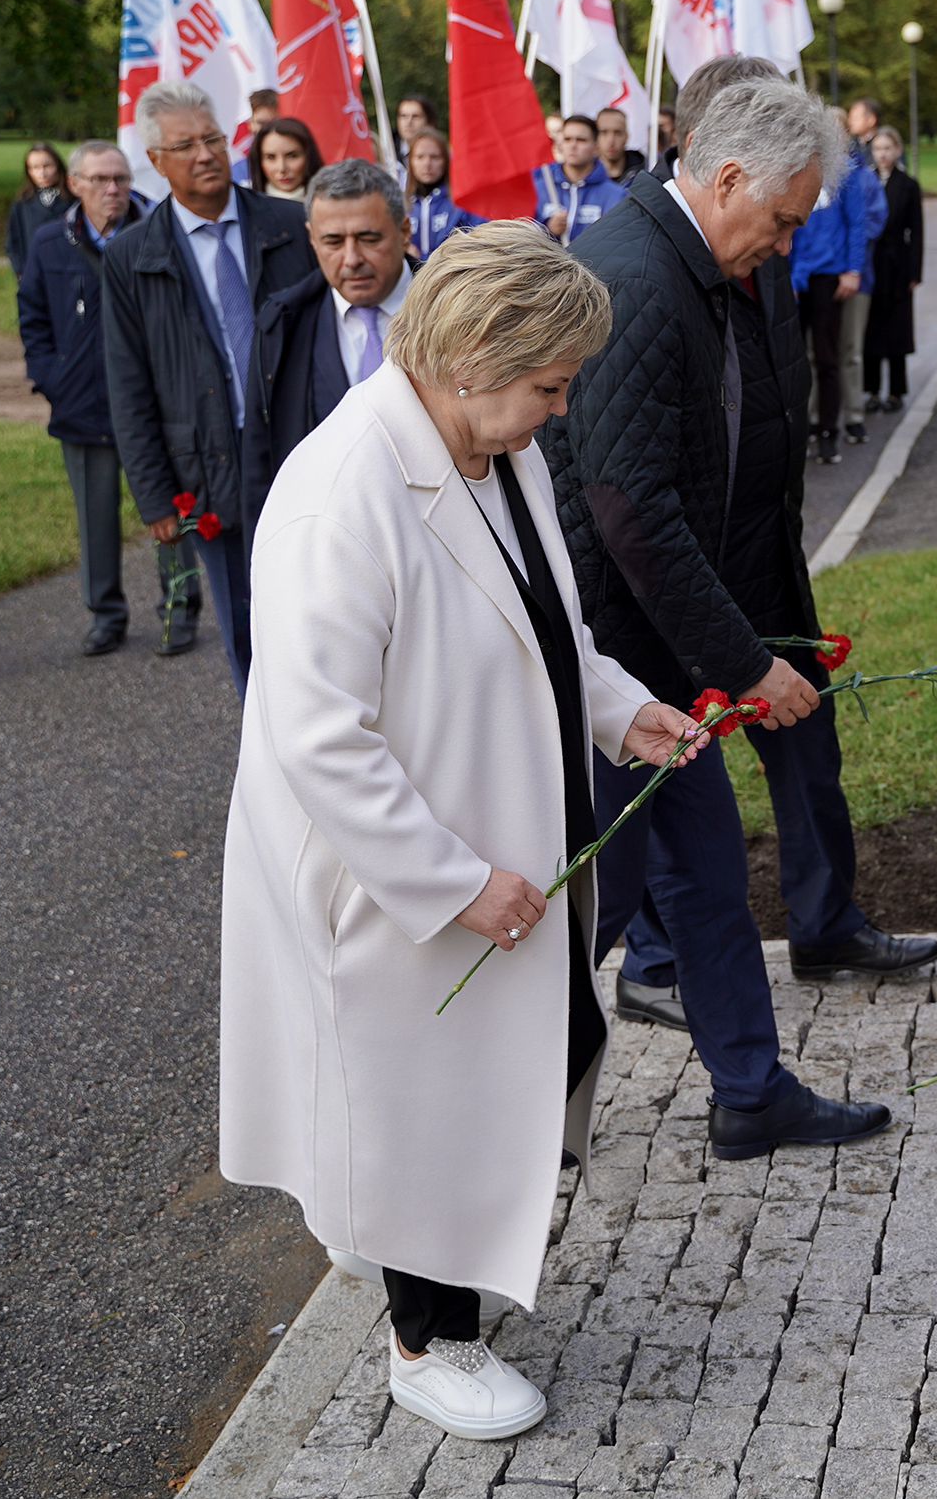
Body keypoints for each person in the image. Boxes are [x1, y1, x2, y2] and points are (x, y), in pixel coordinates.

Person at [221, 221, 706, 1440]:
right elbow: (317, 732)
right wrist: (448, 882)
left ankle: (426, 1249)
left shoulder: (497, 454)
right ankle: (425, 1339)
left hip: (509, 834)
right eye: (549, 382)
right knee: (416, 1100)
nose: (559, 405)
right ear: (475, 353)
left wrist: (620, 709)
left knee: (538, 1047)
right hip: (398, 870)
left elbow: (543, 629)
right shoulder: (343, 489)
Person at [543, 74, 934, 1160]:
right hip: (616, 667)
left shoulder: (692, 267)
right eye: (781, 219)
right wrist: (745, 663)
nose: (785, 243)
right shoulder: (635, 278)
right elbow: (631, 511)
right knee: (594, 904)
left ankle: (750, 1093)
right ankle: (485, 1122)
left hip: (656, 654)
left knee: (706, 873)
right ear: (724, 180)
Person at [103, 79, 319, 698]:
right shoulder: (131, 256)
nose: (205, 154)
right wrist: (153, 496)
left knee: (325, 610)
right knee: (248, 630)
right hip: (208, 471)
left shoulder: (290, 225)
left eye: (213, 138)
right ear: (156, 161)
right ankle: (270, 765)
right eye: (186, 145)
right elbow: (128, 381)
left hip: (299, 449)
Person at [17, 139, 200, 658]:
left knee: (170, 510)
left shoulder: (160, 236)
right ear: (74, 184)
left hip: (157, 406)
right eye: (99, 180)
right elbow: (31, 315)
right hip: (82, 405)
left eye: (120, 178)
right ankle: (105, 615)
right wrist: (50, 377)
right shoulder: (50, 242)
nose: (112, 189)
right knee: (94, 519)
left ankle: (180, 607)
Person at [254, 157, 411, 473]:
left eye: (369, 239)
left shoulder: (458, 310)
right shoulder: (282, 323)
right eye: (333, 242)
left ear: (404, 231)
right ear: (312, 238)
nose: (352, 259)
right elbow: (262, 453)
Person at [786, 105, 882, 463]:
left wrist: (853, 269)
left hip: (830, 275)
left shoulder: (851, 174)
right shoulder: (801, 167)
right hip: (799, 275)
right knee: (797, 357)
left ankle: (829, 432)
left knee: (828, 357)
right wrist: (790, 274)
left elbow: (857, 224)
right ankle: (805, 427)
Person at [832, 98, 890, 446]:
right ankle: (819, 415)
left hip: (856, 276)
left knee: (850, 349)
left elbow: (872, 222)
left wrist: (846, 260)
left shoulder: (863, 178)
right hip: (821, 276)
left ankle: (853, 414)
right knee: (817, 351)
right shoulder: (816, 177)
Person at [862, 126, 924, 413]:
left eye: (888, 148)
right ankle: (871, 389)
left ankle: (897, 391)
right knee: (870, 326)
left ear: (898, 150)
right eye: (877, 149)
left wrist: (914, 273)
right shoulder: (864, 181)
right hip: (871, 261)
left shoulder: (908, 185)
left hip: (897, 263)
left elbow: (917, 232)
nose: (883, 154)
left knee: (897, 328)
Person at [534, 115, 626, 244]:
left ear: (596, 147)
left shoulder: (615, 195)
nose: (573, 145)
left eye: (581, 140)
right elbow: (520, 234)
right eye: (567, 139)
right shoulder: (540, 188)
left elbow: (618, 242)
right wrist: (547, 229)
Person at [403, 128, 484, 259]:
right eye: (420, 157)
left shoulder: (461, 203)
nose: (427, 164)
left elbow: (477, 248)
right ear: (410, 161)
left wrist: (421, 259)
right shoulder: (401, 205)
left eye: (434, 157)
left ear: (445, 160)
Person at [3, 142, 71, 278]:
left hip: (70, 271)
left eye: (47, 166)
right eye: (34, 168)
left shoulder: (74, 200)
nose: (42, 173)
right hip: (35, 273)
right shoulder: (23, 203)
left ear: (58, 166)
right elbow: (13, 240)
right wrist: (20, 272)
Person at [250, 117, 323, 206]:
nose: (282, 168)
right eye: (271, 157)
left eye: (292, 156)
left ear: (309, 157)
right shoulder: (243, 211)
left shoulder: (334, 206)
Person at [230, 89, 282, 184]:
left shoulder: (301, 165)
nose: (268, 129)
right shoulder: (236, 173)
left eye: (275, 123)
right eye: (261, 123)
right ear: (250, 124)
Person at [594, 107, 644, 186]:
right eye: (604, 132)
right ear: (595, 136)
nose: (611, 140)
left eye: (617, 133)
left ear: (626, 136)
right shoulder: (584, 176)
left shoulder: (644, 173)